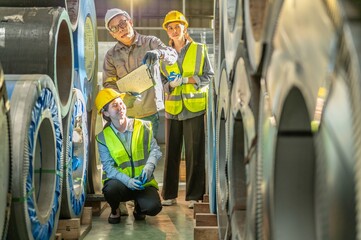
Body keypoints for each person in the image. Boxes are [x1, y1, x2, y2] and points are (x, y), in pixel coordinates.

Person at [159, 10, 214, 209]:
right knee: (171, 153)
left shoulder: (200, 49)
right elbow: (161, 82)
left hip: (194, 107)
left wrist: (187, 80)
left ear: (185, 28)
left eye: (177, 26)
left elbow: (208, 75)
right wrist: (170, 85)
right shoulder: (164, 55)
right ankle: (169, 194)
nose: (174, 30)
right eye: (170, 28)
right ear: (167, 32)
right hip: (173, 108)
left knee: (195, 152)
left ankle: (194, 196)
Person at [102, 8, 178, 139]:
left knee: (146, 154)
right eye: (114, 28)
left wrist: (159, 53)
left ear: (130, 22)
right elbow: (108, 84)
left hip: (150, 112)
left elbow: (173, 55)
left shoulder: (150, 43)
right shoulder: (111, 55)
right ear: (112, 34)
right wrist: (122, 98)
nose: (120, 29)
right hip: (125, 114)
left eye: (122, 24)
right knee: (127, 156)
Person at [95, 88, 163, 224]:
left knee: (154, 207)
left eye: (121, 103)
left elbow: (155, 150)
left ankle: (139, 208)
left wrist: (149, 167)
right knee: (110, 190)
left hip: (143, 182)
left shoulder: (143, 126)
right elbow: (108, 167)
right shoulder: (103, 137)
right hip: (121, 184)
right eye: (114, 105)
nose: (120, 107)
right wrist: (128, 181)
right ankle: (115, 209)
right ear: (106, 112)